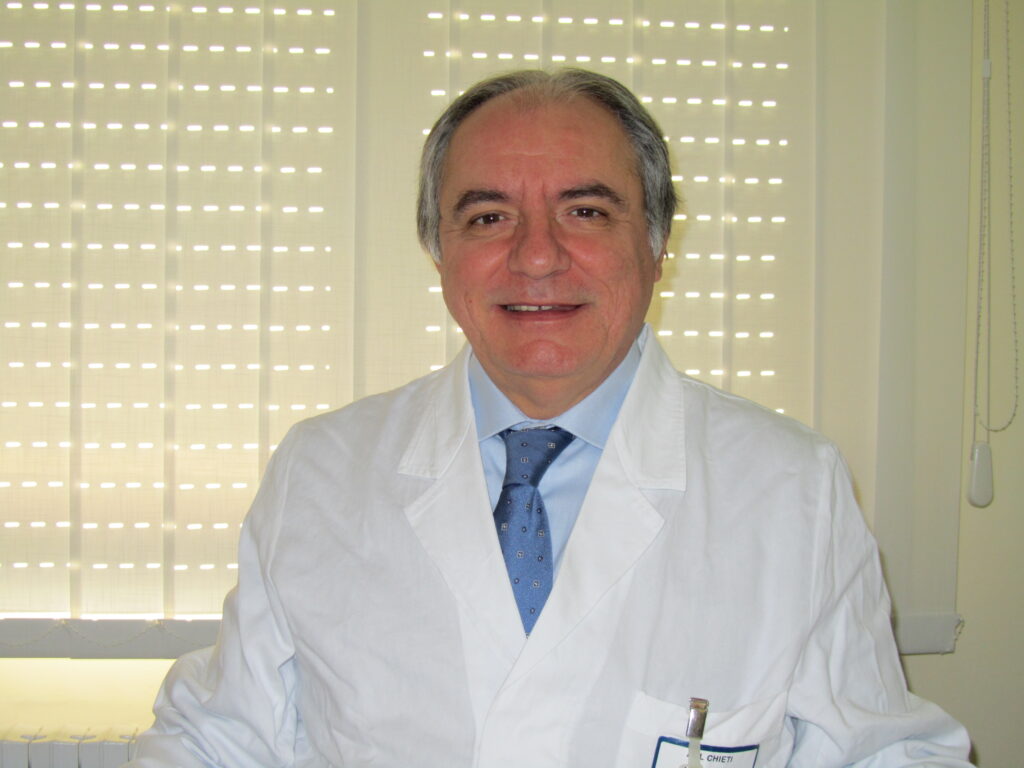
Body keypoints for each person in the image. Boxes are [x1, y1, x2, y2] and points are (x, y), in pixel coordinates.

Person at [127, 69, 972, 767]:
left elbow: (882, 753)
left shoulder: (793, 488)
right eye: (488, 217)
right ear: (439, 251)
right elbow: (219, 738)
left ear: (657, 243)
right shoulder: (320, 472)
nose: (536, 255)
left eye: (586, 211)